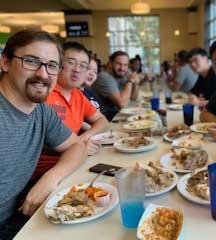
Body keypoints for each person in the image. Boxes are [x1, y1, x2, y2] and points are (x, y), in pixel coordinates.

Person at [0, 29, 87, 239]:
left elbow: (78, 146)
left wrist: (51, 178)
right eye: (31, 61)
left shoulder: (41, 111)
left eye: (51, 65)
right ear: (5, 63)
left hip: (19, 216)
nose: (43, 74)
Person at [32, 42, 108, 180]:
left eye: (83, 66)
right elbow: (40, 141)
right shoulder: (43, 92)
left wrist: (80, 141)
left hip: (75, 161)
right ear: (59, 64)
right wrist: (78, 145)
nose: (77, 69)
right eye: (71, 62)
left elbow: (102, 120)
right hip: (46, 171)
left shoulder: (78, 95)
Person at [91, 51, 140, 120]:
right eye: (118, 64)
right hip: (104, 118)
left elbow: (134, 98)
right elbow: (122, 104)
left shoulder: (124, 73)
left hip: (115, 114)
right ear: (111, 63)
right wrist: (130, 81)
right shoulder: (104, 77)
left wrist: (136, 83)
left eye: (125, 65)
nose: (122, 68)